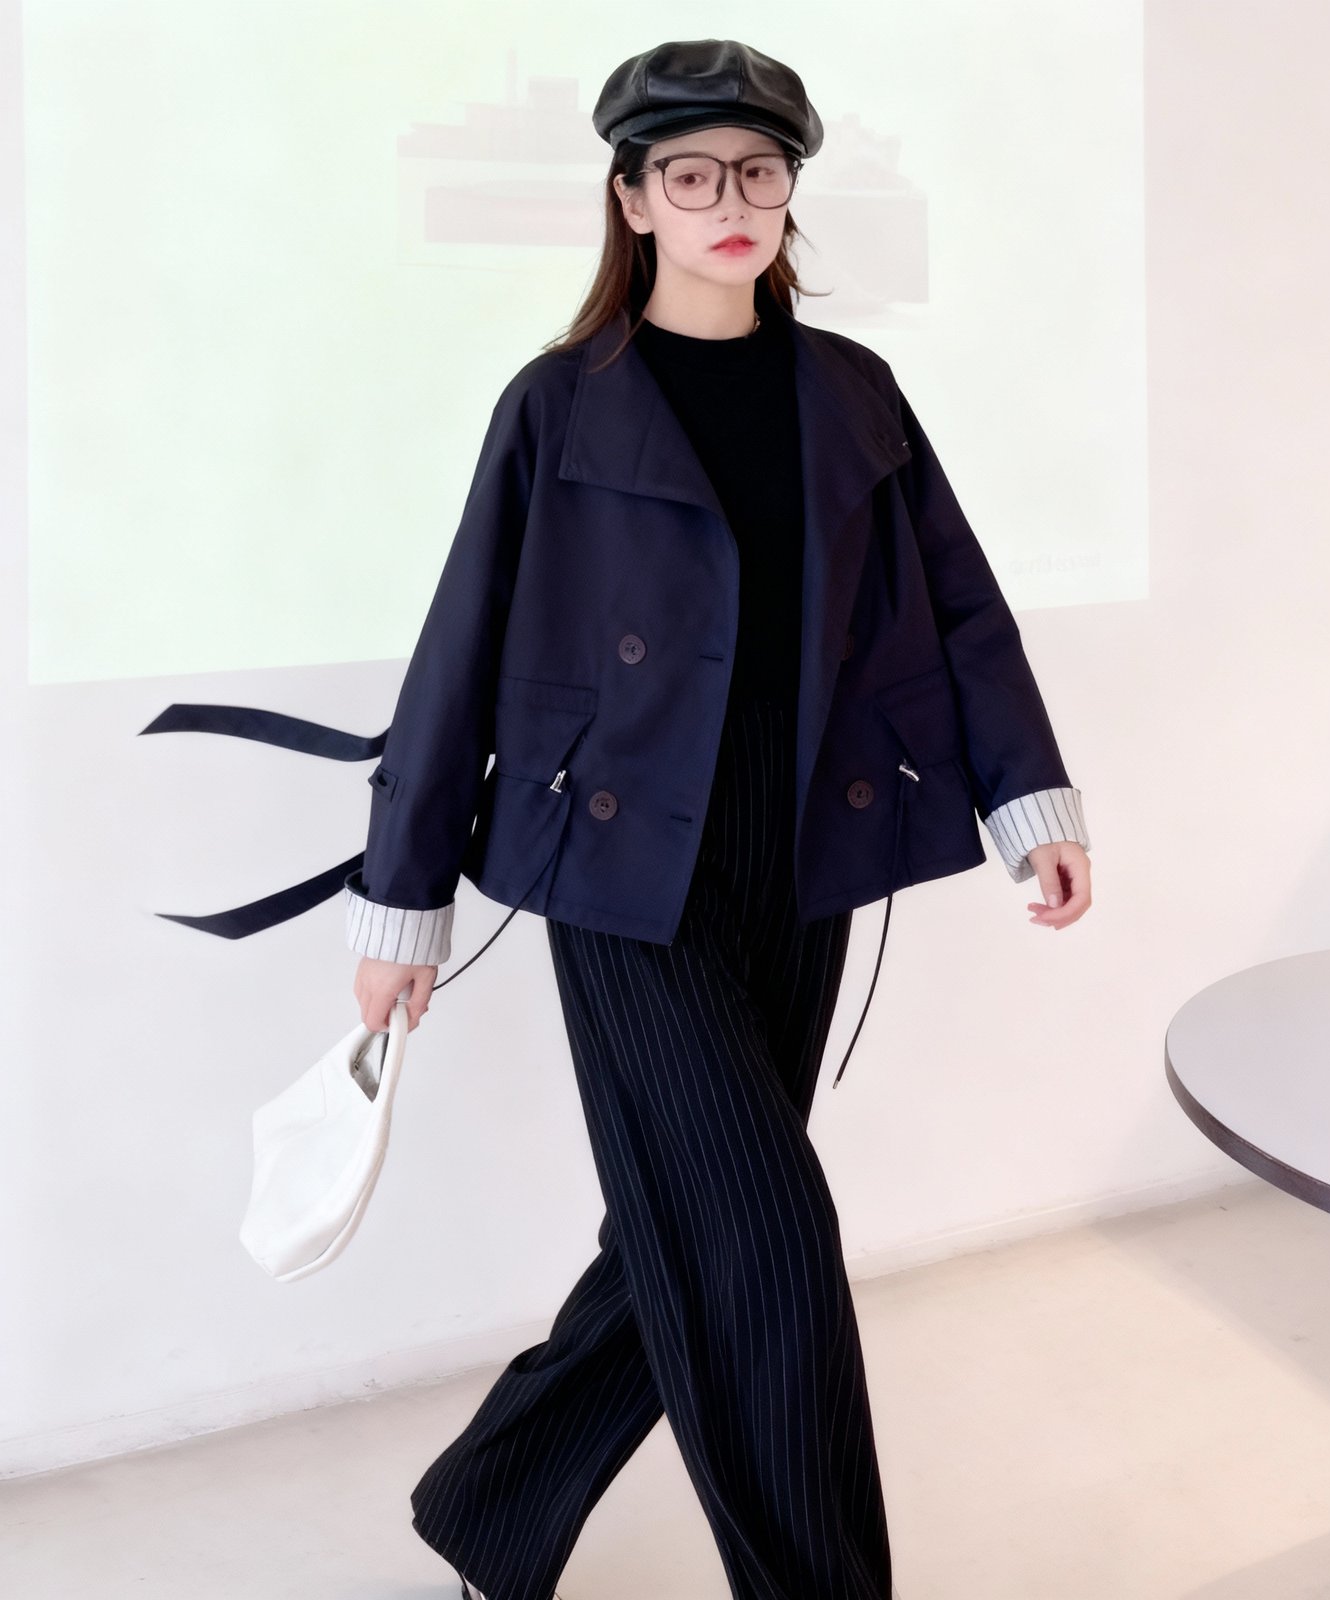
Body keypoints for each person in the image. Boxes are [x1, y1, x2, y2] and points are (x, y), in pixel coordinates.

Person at [344, 39, 1093, 1600]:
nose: (728, 200)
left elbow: (959, 604)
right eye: (689, 174)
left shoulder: (852, 390)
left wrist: (1029, 801)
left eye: (758, 170)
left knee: (682, 1232)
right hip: (623, 874)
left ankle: (490, 1503)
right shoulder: (558, 404)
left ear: (790, 191)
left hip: (807, 852)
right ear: (633, 201)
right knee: (766, 1239)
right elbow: (459, 649)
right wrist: (404, 904)